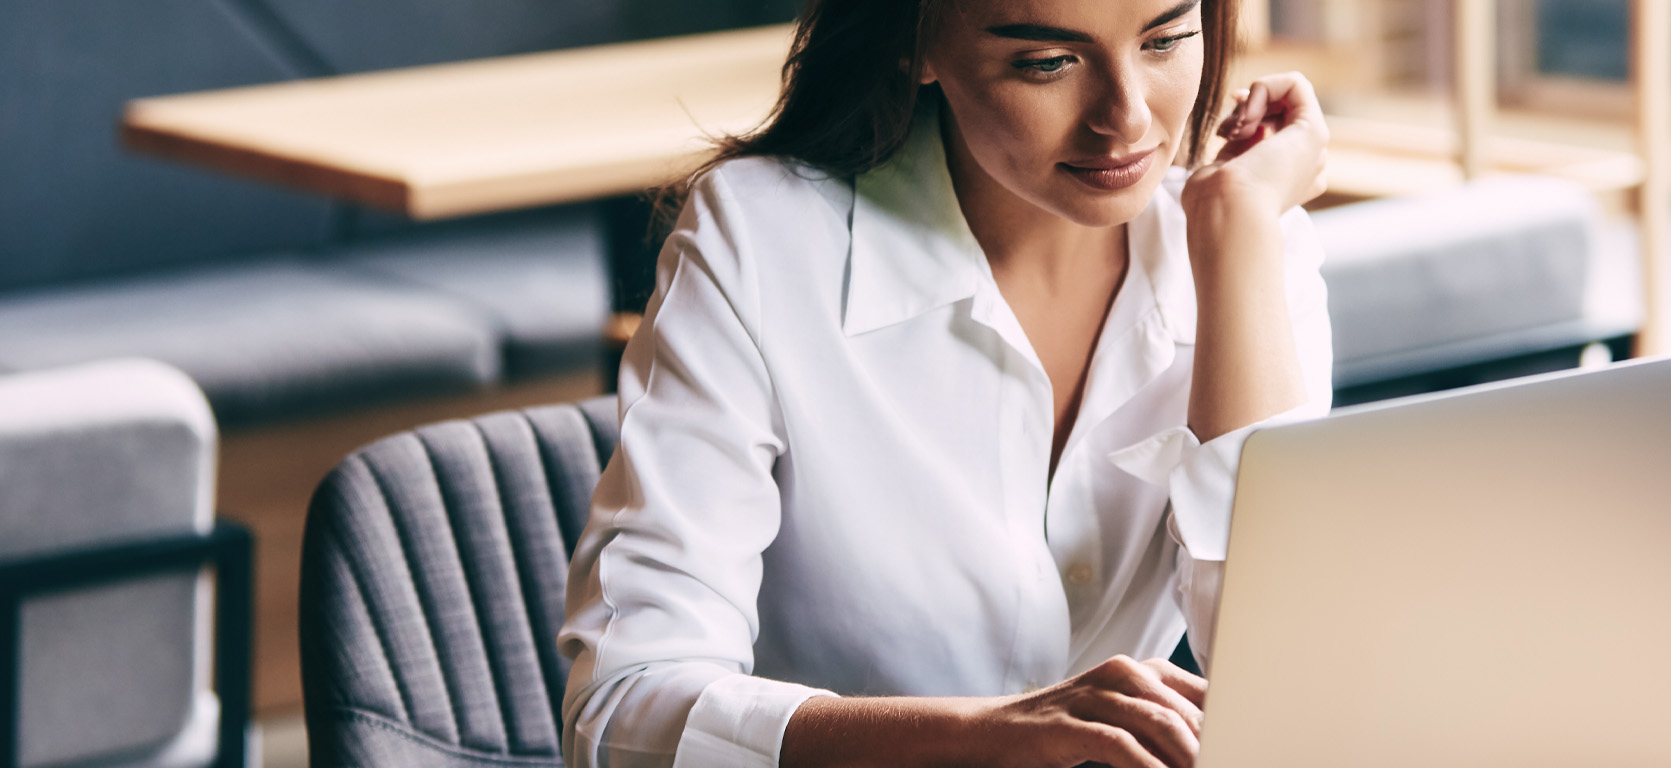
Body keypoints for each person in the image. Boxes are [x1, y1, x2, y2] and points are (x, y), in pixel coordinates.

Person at [559, 0, 1332, 764]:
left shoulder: (1246, 238)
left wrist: (1237, 225)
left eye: (1165, 40)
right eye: (1047, 62)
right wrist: (984, 736)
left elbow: (1291, 678)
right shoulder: (761, 243)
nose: (1126, 119)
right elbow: (623, 714)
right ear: (915, 43)